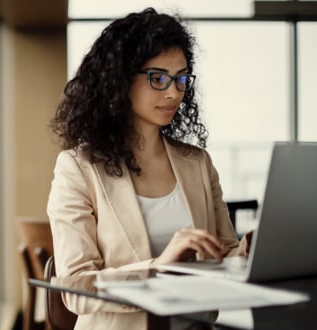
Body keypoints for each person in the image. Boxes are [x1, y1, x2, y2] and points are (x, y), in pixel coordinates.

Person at [47, 7, 250, 329]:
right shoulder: (78, 168)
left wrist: (255, 246)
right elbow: (75, 290)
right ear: (118, 80)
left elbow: (225, 259)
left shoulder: (198, 163)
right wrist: (158, 267)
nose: (174, 93)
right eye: (158, 78)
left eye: (181, 79)